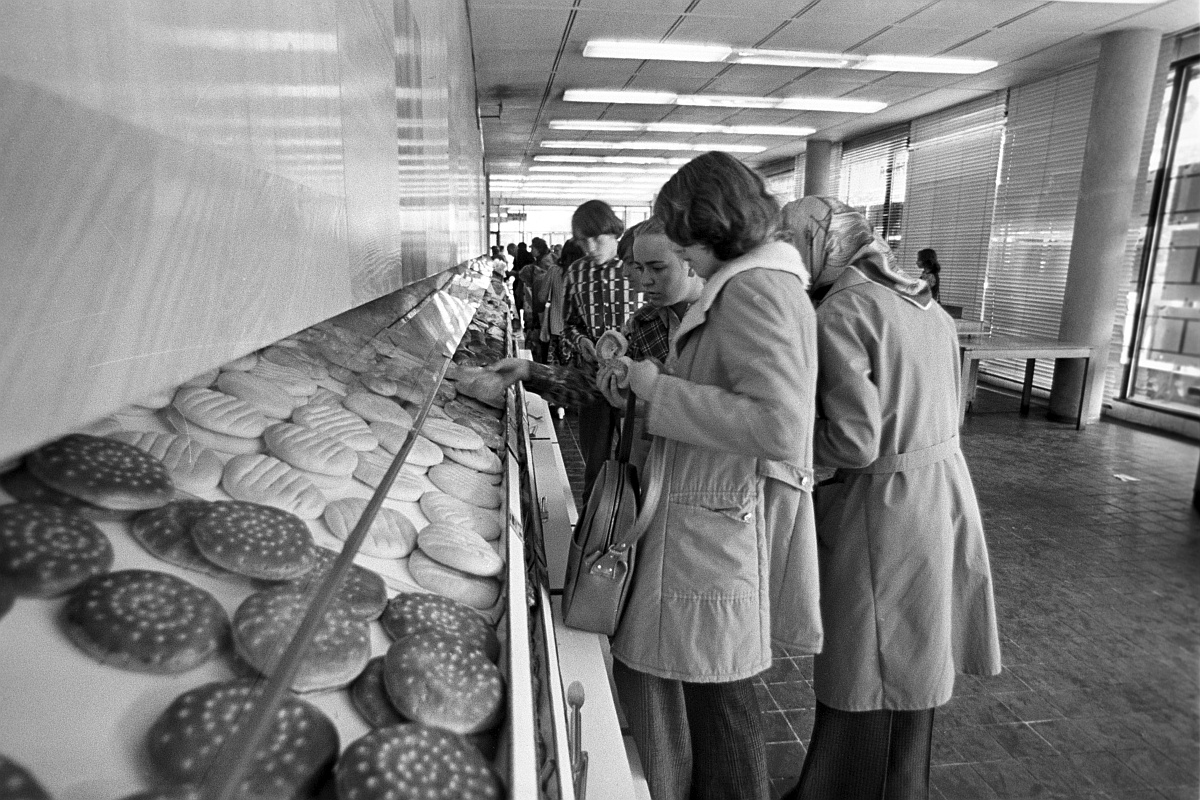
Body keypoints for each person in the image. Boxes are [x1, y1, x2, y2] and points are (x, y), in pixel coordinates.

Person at [491, 153, 823, 800]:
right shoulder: (754, 284)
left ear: (711, 226)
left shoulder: (756, 289)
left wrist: (658, 390)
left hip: (713, 525)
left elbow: (781, 425)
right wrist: (642, 391)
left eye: (680, 243)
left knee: (720, 701)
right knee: (711, 693)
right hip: (702, 518)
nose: (678, 263)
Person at [779, 196, 1001, 800]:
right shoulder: (925, 304)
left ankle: (837, 791)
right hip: (941, 492)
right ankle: (902, 785)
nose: (783, 251)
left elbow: (852, 441)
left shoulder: (844, 311)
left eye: (793, 238)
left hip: (881, 505)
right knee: (916, 659)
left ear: (827, 243)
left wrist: (782, 441)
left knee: (864, 664)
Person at [520, 237, 555, 362]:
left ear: (538, 249)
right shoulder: (543, 260)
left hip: (545, 306)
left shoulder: (545, 262)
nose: (531, 251)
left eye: (533, 248)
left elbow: (543, 289)